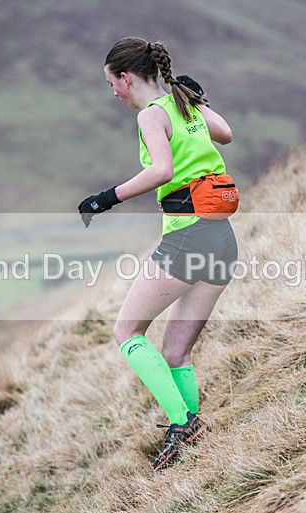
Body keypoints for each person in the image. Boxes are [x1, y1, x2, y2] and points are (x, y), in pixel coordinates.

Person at [77, 37, 238, 471]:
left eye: (112, 83)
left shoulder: (151, 114)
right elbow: (225, 133)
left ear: (126, 78)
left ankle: (181, 423)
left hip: (188, 239)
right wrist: (198, 100)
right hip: (222, 239)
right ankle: (193, 433)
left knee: (127, 332)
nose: (113, 93)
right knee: (175, 353)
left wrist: (104, 198)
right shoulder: (184, 103)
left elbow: (162, 171)